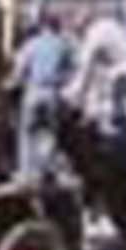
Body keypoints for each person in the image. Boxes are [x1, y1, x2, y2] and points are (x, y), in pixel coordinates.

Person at [12, 10, 77, 189]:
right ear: (56, 26)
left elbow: (18, 72)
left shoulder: (31, 45)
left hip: (33, 92)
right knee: (49, 134)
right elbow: (72, 71)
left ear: (42, 26)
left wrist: (14, 83)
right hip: (52, 94)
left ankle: (26, 175)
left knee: (27, 133)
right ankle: (44, 173)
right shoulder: (63, 45)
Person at [74, 7, 126, 130]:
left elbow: (85, 69)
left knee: (117, 91)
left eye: (78, 30)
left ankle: (123, 124)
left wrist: (78, 94)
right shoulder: (108, 22)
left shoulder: (92, 37)